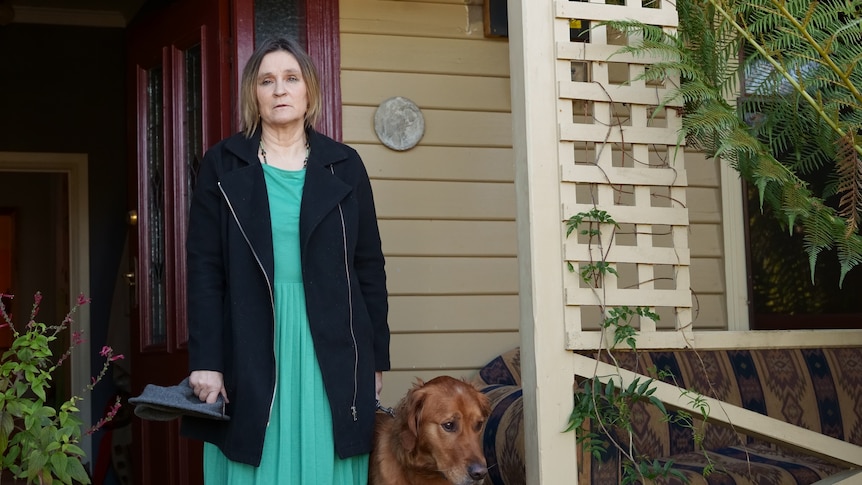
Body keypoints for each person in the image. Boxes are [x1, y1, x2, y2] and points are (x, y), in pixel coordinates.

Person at [181, 36, 390, 484]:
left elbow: (368, 266)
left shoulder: (345, 165)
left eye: (291, 79)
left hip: (330, 343)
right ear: (253, 95)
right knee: (253, 457)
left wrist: (373, 360)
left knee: (324, 459)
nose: (280, 90)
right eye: (267, 81)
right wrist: (207, 360)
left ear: (309, 91)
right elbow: (204, 271)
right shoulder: (222, 165)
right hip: (249, 336)